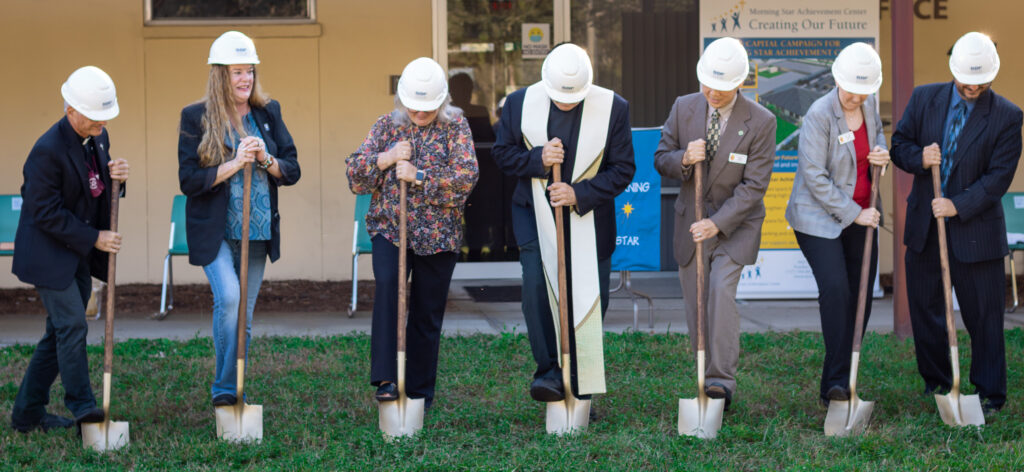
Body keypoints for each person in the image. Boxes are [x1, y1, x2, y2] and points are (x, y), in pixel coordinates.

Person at [493, 43, 635, 403]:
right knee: (537, 293)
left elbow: (623, 169)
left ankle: (582, 380)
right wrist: (537, 159)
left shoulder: (613, 107)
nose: (566, 104)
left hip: (590, 218)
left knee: (590, 299)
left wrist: (579, 194)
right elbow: (502, 155)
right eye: (559, 98)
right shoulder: (518, 103)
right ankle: (550, 373)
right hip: (534, 216)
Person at [890, 31, 1022, 414]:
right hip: (924, 229)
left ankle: (989, 394)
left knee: (984, 316)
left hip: (976, 233)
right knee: (926, 310)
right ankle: (939, 383)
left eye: (980, 82)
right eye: (966, 79)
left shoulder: (1008, 117)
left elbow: (998, 178)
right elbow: (900, 145)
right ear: (953, 71)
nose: (972, 86)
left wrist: (957, 205)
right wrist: (920, 158)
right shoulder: (924, 98)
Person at [177, 31, 301, 407]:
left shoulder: (268, 112)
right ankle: (223, 389)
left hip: (256, 231)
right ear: (219, 75)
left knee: (243, 315)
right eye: (237, 72)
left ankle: (232, 389)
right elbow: (188, 181)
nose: (245, 79)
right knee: (229, 298)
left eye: (249, 71)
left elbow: (292, 169)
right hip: (214, 230)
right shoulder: (195, 117)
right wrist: (234, 164)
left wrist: (264, 158)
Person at [347, 57, 478, 409]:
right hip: (390, 229)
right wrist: (386, 158)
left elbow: (466, 180)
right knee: (389, 290)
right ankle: (388, 380)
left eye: (428, 109)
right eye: (415, 108)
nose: (420, 114)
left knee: (426, 311)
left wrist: (419, 177)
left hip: (439, 237)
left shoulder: (457, 127)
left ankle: (419, 392)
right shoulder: (386, 126)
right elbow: (355, 177)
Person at [653, 37, 775, 410]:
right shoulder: (684, 107)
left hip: (735, 225)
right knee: (696, 303)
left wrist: (716, 224)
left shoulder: (761, 121)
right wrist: (684, 159)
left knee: (720, 293)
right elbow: (661, 158)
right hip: (691, 224)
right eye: (707, 84)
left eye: (722, 88)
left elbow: (754, 187)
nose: (713, 93)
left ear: (739, 83)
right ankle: (702, 370)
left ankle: (721, 381)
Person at [10, 66, 130, 432]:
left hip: (73, 251)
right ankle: (85, 410)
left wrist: (119, 180)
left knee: (59, 332)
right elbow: (43, 211)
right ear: (71, 111)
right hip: (48, 255)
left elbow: (95, 189)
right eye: (96, 116)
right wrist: (94, 238)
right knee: (73, 327)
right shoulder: (46, 151)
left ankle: (27, 414)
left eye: (106, 114)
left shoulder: (97, 135)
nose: (103, 122)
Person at [784, 43, 889, 405]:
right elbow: (813, 175)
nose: (855, 97)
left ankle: (847, 375)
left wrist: (881, 153)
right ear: (836, 79)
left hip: (864, 212)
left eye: (863, 92)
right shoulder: (819, 113)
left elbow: (876, 136)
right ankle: (834, 385)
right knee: (837, 291)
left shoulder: (868, 104)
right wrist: (853, 213)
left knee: (861, 297)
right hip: (819, 218)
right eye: (849, 90)